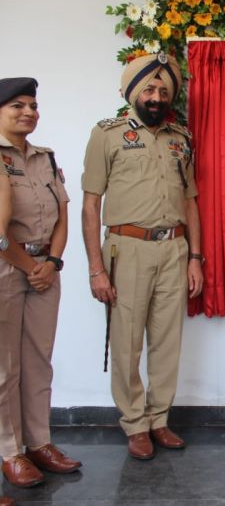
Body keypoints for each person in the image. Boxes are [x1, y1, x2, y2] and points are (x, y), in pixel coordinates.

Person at [81, 54, 204, 460]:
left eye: (163, 91)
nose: (156, 97)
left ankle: (158, 419)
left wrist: (195, 258)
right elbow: (90, 204)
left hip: (174, 249)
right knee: (127, 341)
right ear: (131, 92)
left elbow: (190, 202)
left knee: (167, 341)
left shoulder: (179, 138)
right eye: (149, 90)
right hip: (126, 248)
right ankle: (134, 424)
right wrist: (96, 268)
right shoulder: (107, 135)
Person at [0, 78, 82, 497]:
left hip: (44, 268)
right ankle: (10, 451)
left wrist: (51, 262)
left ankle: (39, 442)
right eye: (17, 106)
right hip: (6, 269)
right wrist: (31, 265)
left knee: (38, 360)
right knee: (4, 367)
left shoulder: (45, 159)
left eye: (33, 105)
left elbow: (63, 215)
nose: (28, 112)